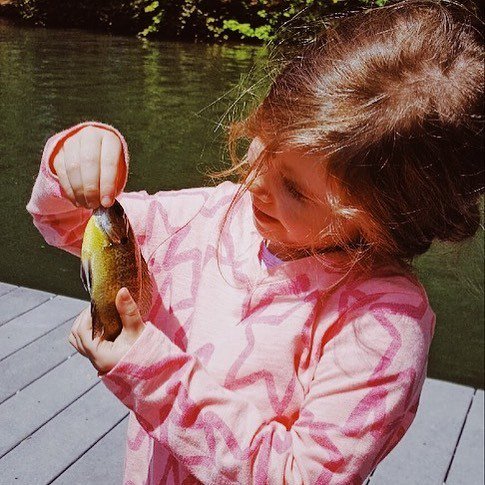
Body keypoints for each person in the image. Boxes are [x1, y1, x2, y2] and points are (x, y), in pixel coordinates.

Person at [26, 0, 483, 483]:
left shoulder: (383, 326)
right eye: (265, 135)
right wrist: (74, 163)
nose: (256, 181)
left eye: (294, 189)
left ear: (379, 224)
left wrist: (151, 373)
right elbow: (68, 225)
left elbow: (298, 476)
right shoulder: (212, 216)